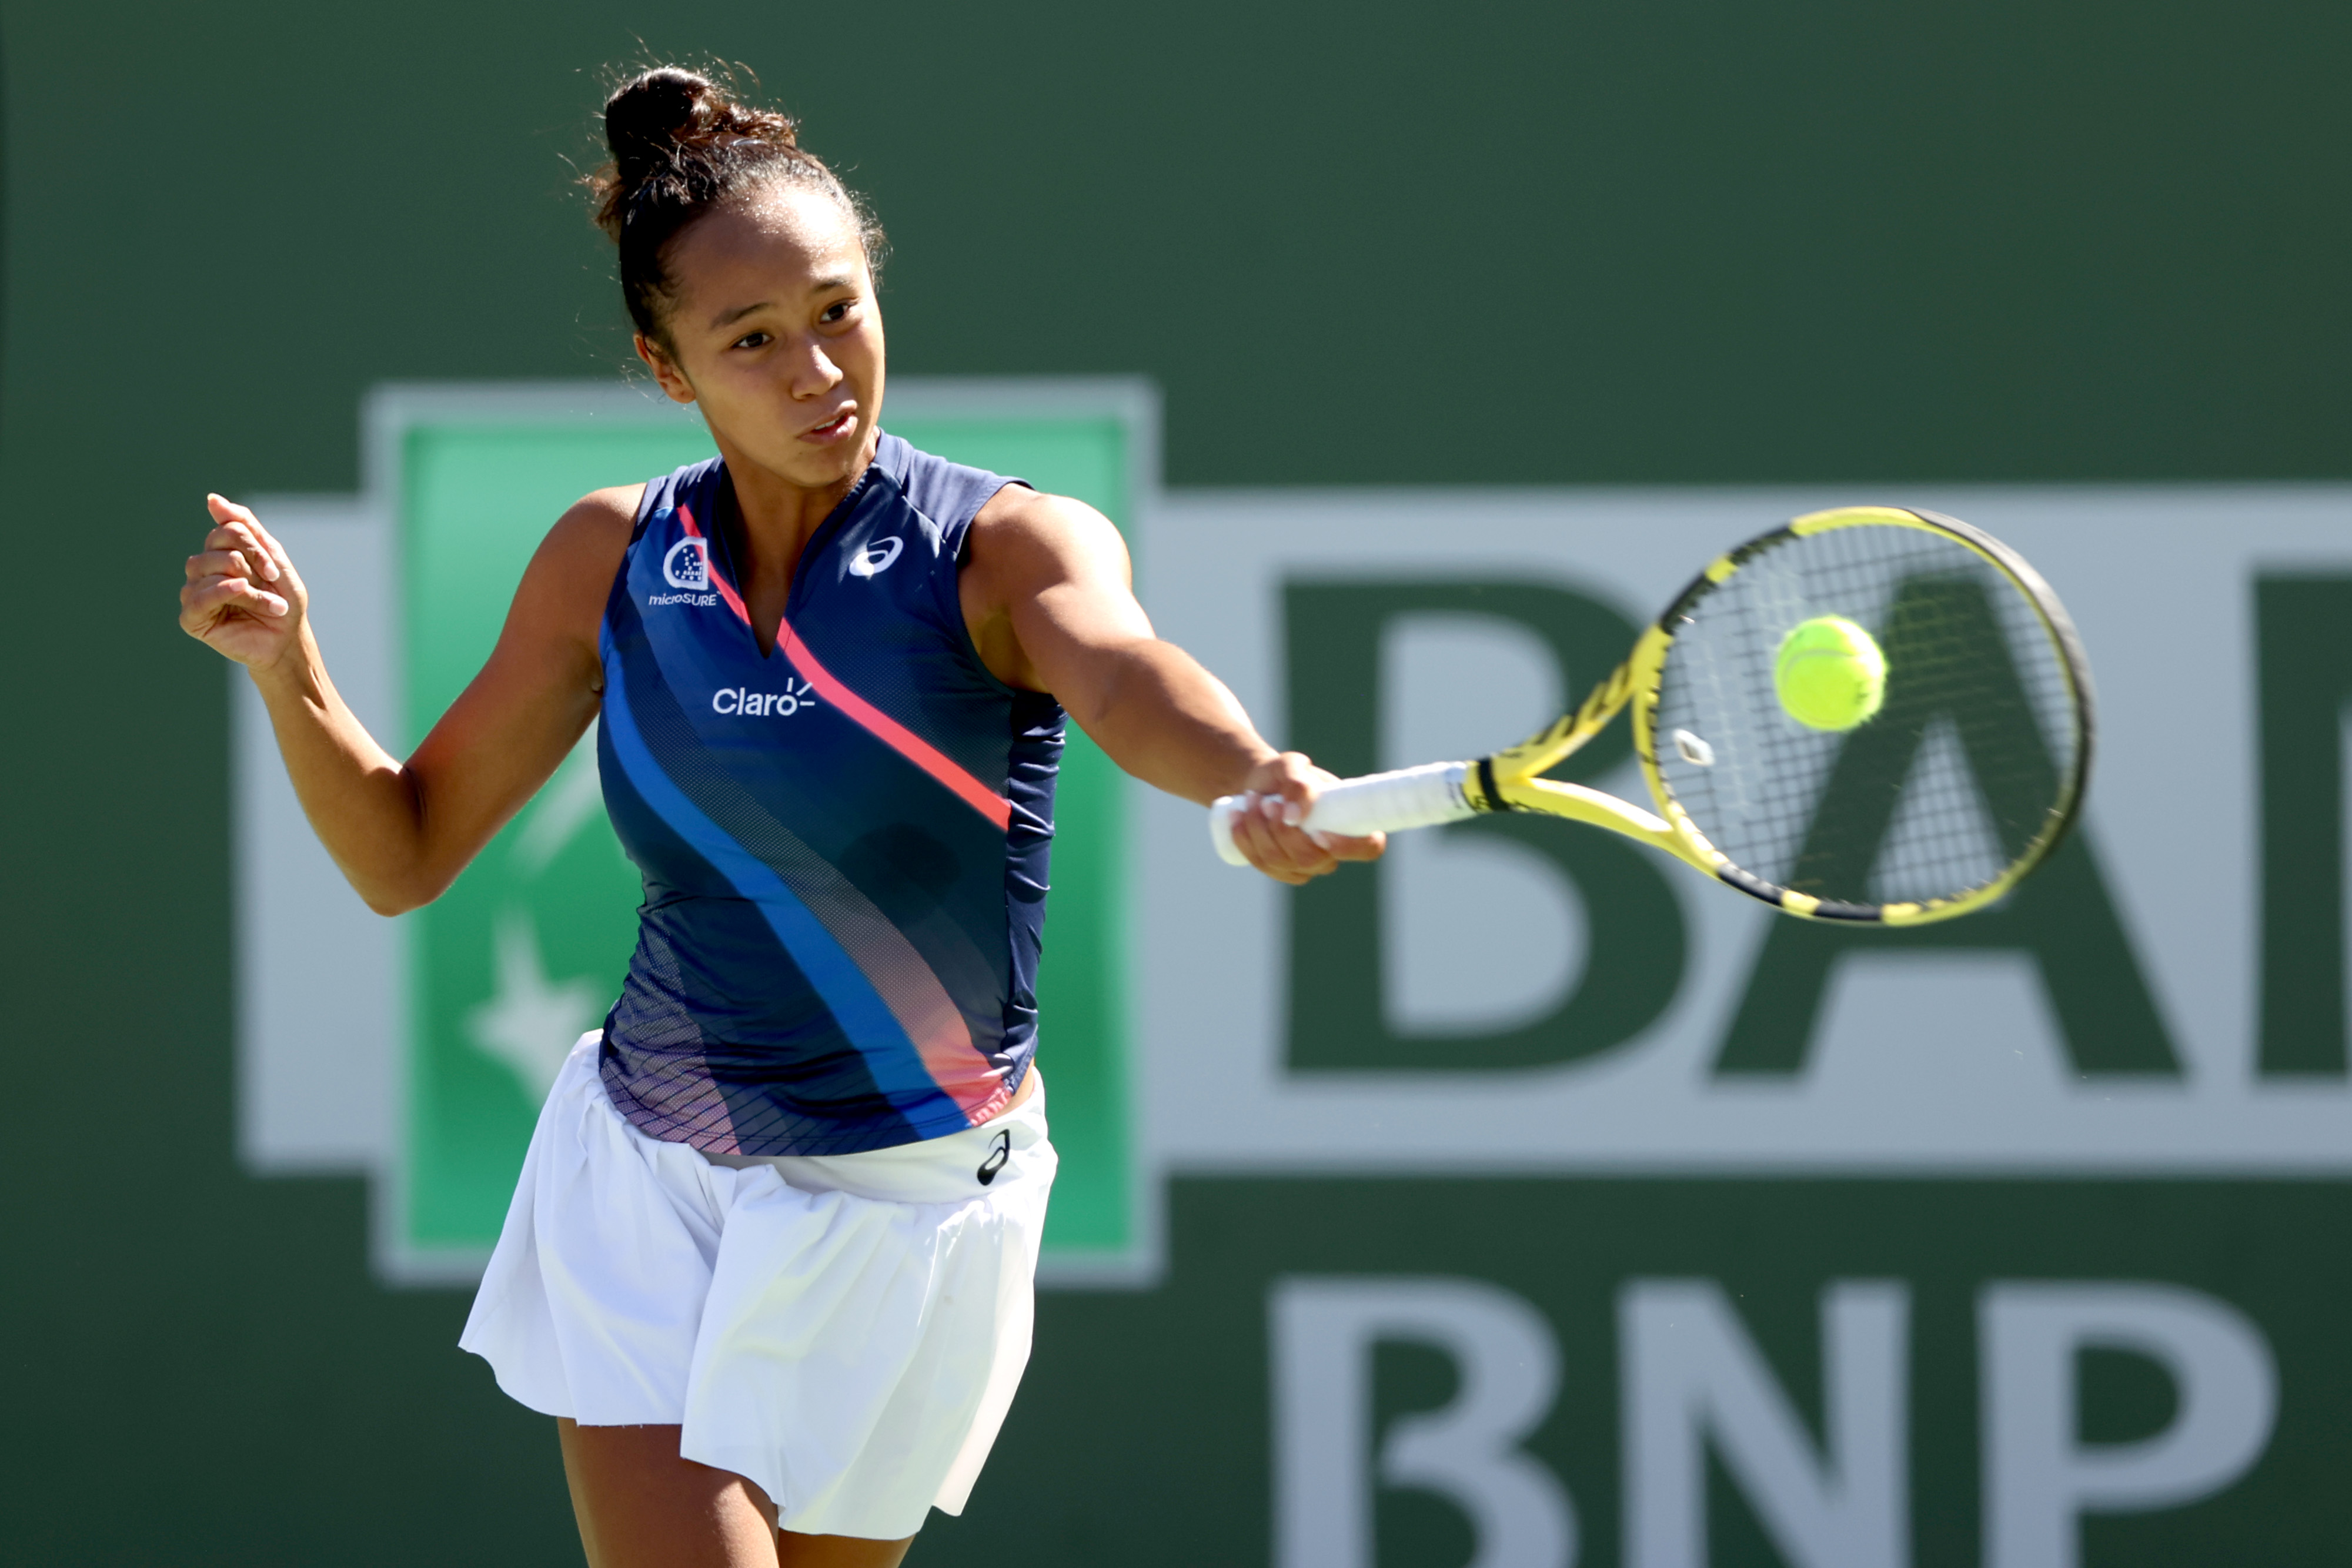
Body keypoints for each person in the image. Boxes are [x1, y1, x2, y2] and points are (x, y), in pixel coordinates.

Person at [179, 64, 1381, 1568]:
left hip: (907, 1203)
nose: (819, 372)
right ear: (665, 364)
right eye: (751, 341)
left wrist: (1251, 767)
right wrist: (289, 670)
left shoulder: (999, 546)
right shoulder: (610, 557)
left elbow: (1126, 673)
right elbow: (402, 852)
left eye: (838, 311)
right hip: (648, 1160)